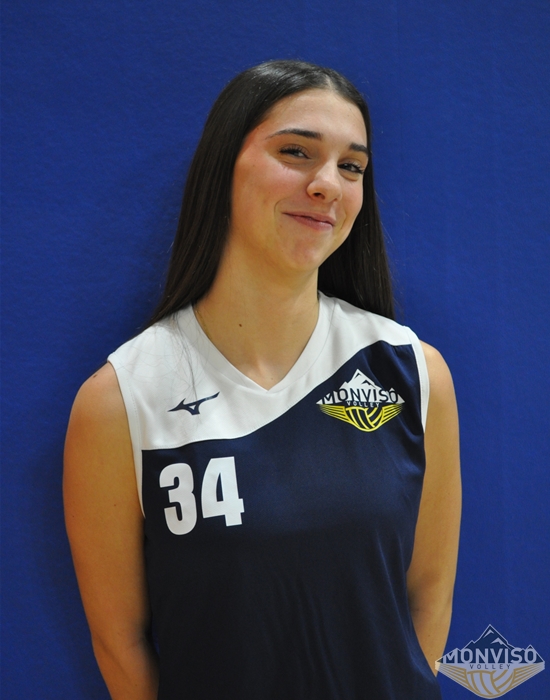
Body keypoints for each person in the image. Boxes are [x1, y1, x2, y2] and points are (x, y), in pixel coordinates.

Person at [64, 60, 461, 700]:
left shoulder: (413, 372)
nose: (327, 184)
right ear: (223, 165)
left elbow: (429, 594)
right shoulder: (121, 400)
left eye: (351, 166)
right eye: (296, 152)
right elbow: (119, 639)